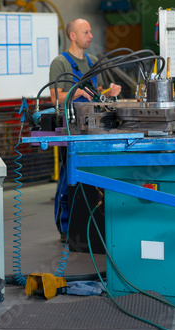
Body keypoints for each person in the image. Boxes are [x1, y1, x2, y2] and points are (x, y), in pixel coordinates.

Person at [49, 19, 121, 240]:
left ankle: (91, 223)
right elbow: (54, 98)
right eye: (86, 32)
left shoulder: (92, 62)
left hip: (93, 128)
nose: (90, 35)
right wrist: (76, 92)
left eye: (90, 31)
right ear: (72, 36)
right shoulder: (60, 63)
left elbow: (95, 93)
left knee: (93, 177)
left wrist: (108, 92)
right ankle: (67, 228)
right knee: (69, 177)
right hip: (72, 129)